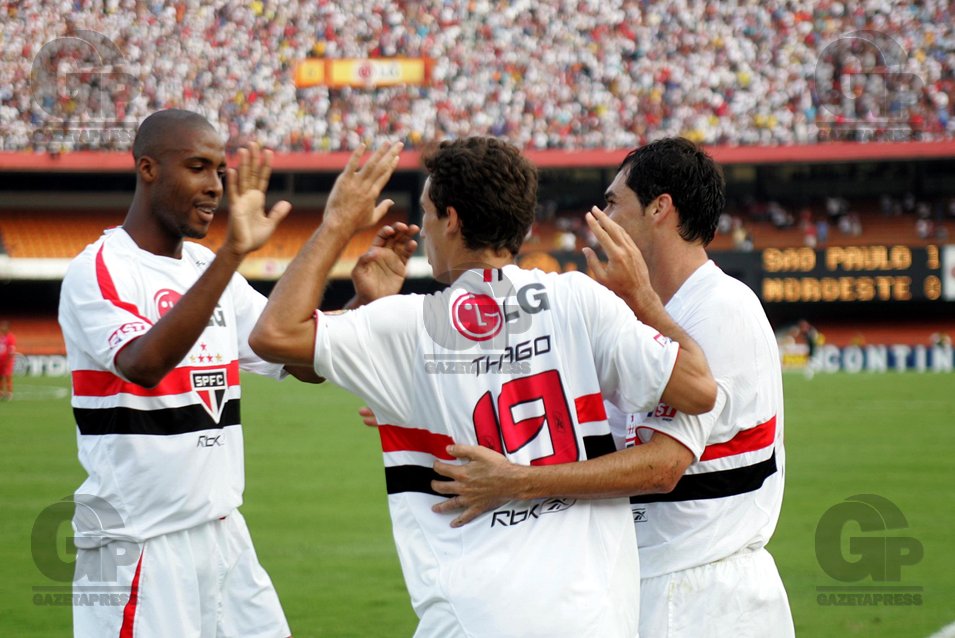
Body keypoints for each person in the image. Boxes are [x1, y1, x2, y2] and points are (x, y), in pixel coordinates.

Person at [249, 137, 717, 637]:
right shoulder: (578, 298)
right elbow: (699, 392)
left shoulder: (409, 324)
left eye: (427, 212)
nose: (424, 227)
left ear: (451, 219)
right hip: (593, 613)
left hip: (473, 616)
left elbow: (273, 334)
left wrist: (338, 222)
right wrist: (644, 300)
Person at [429, 138, 795, 637]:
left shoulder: (721, 308)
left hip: (700, 595)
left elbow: (662, 466)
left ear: (660, 208)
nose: (598, 217)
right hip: (640, 582)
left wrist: (516, 482)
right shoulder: (637, 314)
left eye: (613, 202)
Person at [57, 109, 325, 638]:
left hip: (225, 536)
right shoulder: (101, 268)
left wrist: (363, 298)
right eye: (198, 168)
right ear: (148, 168)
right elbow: (143, 364)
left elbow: (298, 359)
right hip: (139, 548)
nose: (214, 187)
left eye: (220, 171)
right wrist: (233, 253)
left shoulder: (204, 267)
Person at [0, 321, 15, 400]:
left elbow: (11, 350)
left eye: (3, 327)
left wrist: (8, 360)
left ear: (7, 328)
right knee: (0, 377)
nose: (2, 328)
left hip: (7, 361)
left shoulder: (11, 337)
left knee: (8, 377)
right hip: (0, 361)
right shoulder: (1, 337)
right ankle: (1, 392)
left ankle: (9, 393)